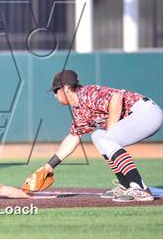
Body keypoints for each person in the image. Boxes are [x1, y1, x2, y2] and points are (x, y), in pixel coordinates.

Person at [39, 70, 162, 202]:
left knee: (107, 139)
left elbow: (116, 97)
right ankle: (126, 184)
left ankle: (140, 188)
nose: (55, 95)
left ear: (67, 88)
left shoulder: (87, 93)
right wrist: (48, 167)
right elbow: (73, 138)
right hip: (139, 115)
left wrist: (111, 131)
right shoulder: (79, 109)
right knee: (98, 136)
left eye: (56, 90)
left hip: (146, 113)